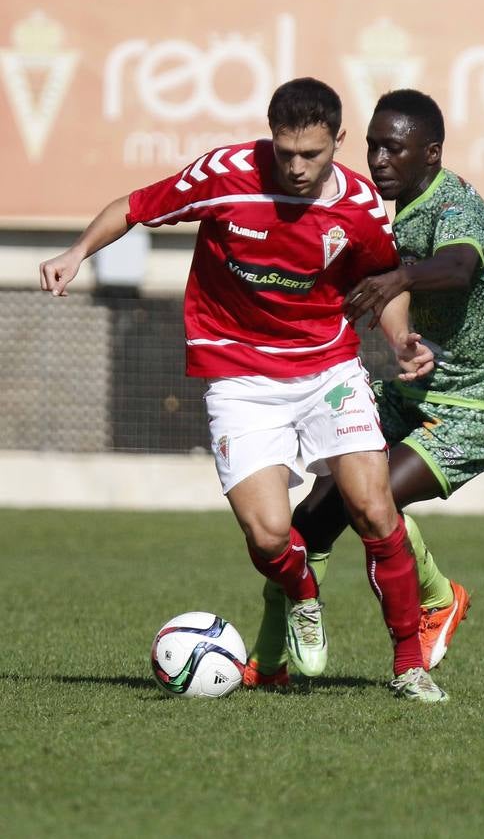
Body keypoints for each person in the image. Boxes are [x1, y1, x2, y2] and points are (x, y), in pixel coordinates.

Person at [39, 78, 448, 704]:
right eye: (286, 151)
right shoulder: (227, 174)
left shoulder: (361, 206)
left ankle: (407, 664)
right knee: (267, 535)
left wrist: (399, 340)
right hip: (240, 377)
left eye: (312, 154)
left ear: (337, 141)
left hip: (327, 370)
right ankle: (303, 597)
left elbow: (379, 282)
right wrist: (78, 252)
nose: (297, 167)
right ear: (271, 136)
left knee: (372, 507)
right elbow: (136, 205)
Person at [243, 88, 484, 691]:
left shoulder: (454, 204)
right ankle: (270, 661)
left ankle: (437, 599)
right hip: (416, 391)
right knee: (309, 523)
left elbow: (459, 266)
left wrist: (399, 277)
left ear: (430, 154)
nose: (380, 159)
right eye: (375, 145)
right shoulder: (375, 205)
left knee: (370, 502)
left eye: (396, 148)